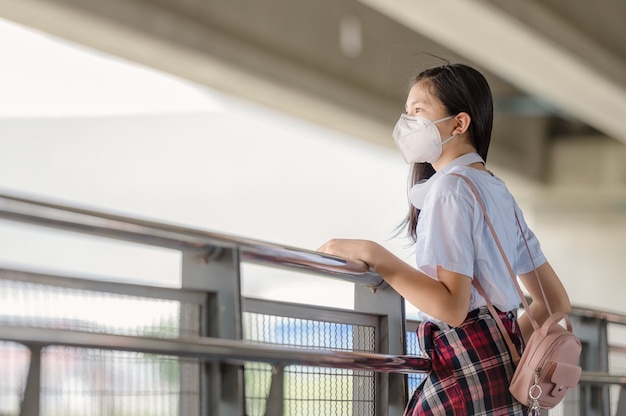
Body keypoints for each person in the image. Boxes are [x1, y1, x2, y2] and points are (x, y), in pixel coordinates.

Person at [317, 63, 571, 415]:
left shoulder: (450, 190)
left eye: (418, 111)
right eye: (407, 112)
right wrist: (506, 343)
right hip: (502, 372)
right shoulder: (497, 191)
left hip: (464, 370)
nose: (407, 123)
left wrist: (374, 255)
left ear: (459, 123)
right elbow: (555, 301)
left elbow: (452, 308)